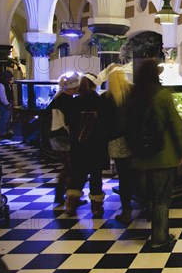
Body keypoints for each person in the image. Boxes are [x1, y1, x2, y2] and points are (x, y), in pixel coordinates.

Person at [128, 59, 182, 249]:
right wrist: (181, 150)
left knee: (148, 196)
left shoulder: (133, 94)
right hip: (163, 155)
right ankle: (159, 238)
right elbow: (175, 125)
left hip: (139, 156)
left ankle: (151, 222)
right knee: (162, 199)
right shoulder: (163, 95)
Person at [64, 73, 109, 217]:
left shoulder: (74, 102)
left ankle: (71, 204)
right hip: (96, 146)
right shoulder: (100, 101)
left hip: (78, 147)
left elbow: (69, 124)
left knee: (78, 175)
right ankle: (96, 207)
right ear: (94, 85)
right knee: (96, 177)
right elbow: (104, 125)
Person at [102, 66, 134, 224]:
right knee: (140, 173)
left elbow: (103, 124)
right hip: (135, 140)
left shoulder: (106, 98)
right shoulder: (133, 93)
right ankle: (149, 207)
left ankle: (126, 211)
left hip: (115, 142)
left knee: (124, 177)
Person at [47, 72, 80, 204]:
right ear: (75, 87)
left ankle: (63, 195)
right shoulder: (68, 101)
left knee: (67, 167)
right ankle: (66, 196)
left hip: (54, 135)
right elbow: (69, 124)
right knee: (70, 167)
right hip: (63, 137)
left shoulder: (58, 98)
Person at [0, 70, 14, 139]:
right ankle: (2, 133)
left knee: (8, 118)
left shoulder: (7, 83)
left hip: (8, 103)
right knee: (4, 118)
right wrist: (6, 103)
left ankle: (6, 132)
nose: (11, 79)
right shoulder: (1, 84)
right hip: (4, 104)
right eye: (10, 77)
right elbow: (2, 96)